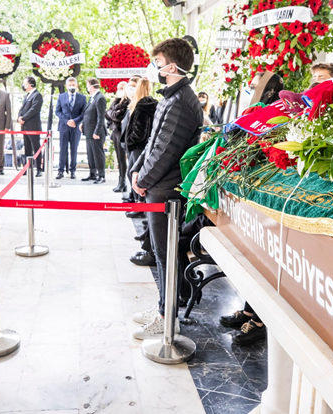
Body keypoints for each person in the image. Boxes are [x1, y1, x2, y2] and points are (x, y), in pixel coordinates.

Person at [130, 38, 203, 340]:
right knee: (162, 253)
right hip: (158, 185)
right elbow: (152, 142)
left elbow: (165, 151)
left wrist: (143, 179)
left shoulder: (182, 101)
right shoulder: (172, 97)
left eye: (157, 62)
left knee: (166, 254)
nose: (154, 67)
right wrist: (137, 170)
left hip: (166, 190)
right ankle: (163, 306)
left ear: (171, 66)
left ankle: (167, 316)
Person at [123, 78, 157, 220]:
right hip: (146, 145)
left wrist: (130, 141)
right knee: (137, 174)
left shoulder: (141, 106)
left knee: (134, 174)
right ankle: (140, 205)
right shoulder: (153, 104)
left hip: (138, 146)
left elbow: (139, 130)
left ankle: (140, 206)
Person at [55, 77, 86, 179]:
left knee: (74, 149)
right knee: (62, 149)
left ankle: (73, 171)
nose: (71, 86)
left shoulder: (82, 98)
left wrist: (75, 121)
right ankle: (60, 171)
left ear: (76, 86)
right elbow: (57, 111)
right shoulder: (61, 97)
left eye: (73, 85)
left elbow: (84, 112)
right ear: (66, 86)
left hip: (76, 127)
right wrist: (66, 121)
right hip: (64, 126)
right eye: (70, 85)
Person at [80, 77, 107, 184]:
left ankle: (101, 175)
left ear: (91, 87)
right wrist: (83, 123)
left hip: (96, 132)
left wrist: (97, 132)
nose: (87, 88)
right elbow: (88, 113)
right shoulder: (92, 98)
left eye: (87, 86)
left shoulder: (100, 98)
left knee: (98, 154)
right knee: (90, 154)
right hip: (88, 131)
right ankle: (92, 173)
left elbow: (101, 117)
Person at [105, 81, 131, 192]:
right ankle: (121, 182)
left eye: (121, 88)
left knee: (123, 158)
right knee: (120, 158)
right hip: (115, 131)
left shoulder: (127, 101)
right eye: (118, 88)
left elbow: (117, 115)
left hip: (122, 132)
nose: (119, 90)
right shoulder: (116, 101)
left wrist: (112, 114)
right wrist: (112, 114)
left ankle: (124, 182)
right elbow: (107, 113)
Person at [18, 76, 44, 176]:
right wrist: (19, 118)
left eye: (25, 83)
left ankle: (39, 169)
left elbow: (34, 109)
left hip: (33, 127)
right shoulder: (27, 96)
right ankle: (27, 168)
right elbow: (22, 108)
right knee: (27, 148)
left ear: (29, 85)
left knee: (36, 147)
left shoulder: (37, 95)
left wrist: (24, 118)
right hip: (25, 126)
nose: (23, 85)